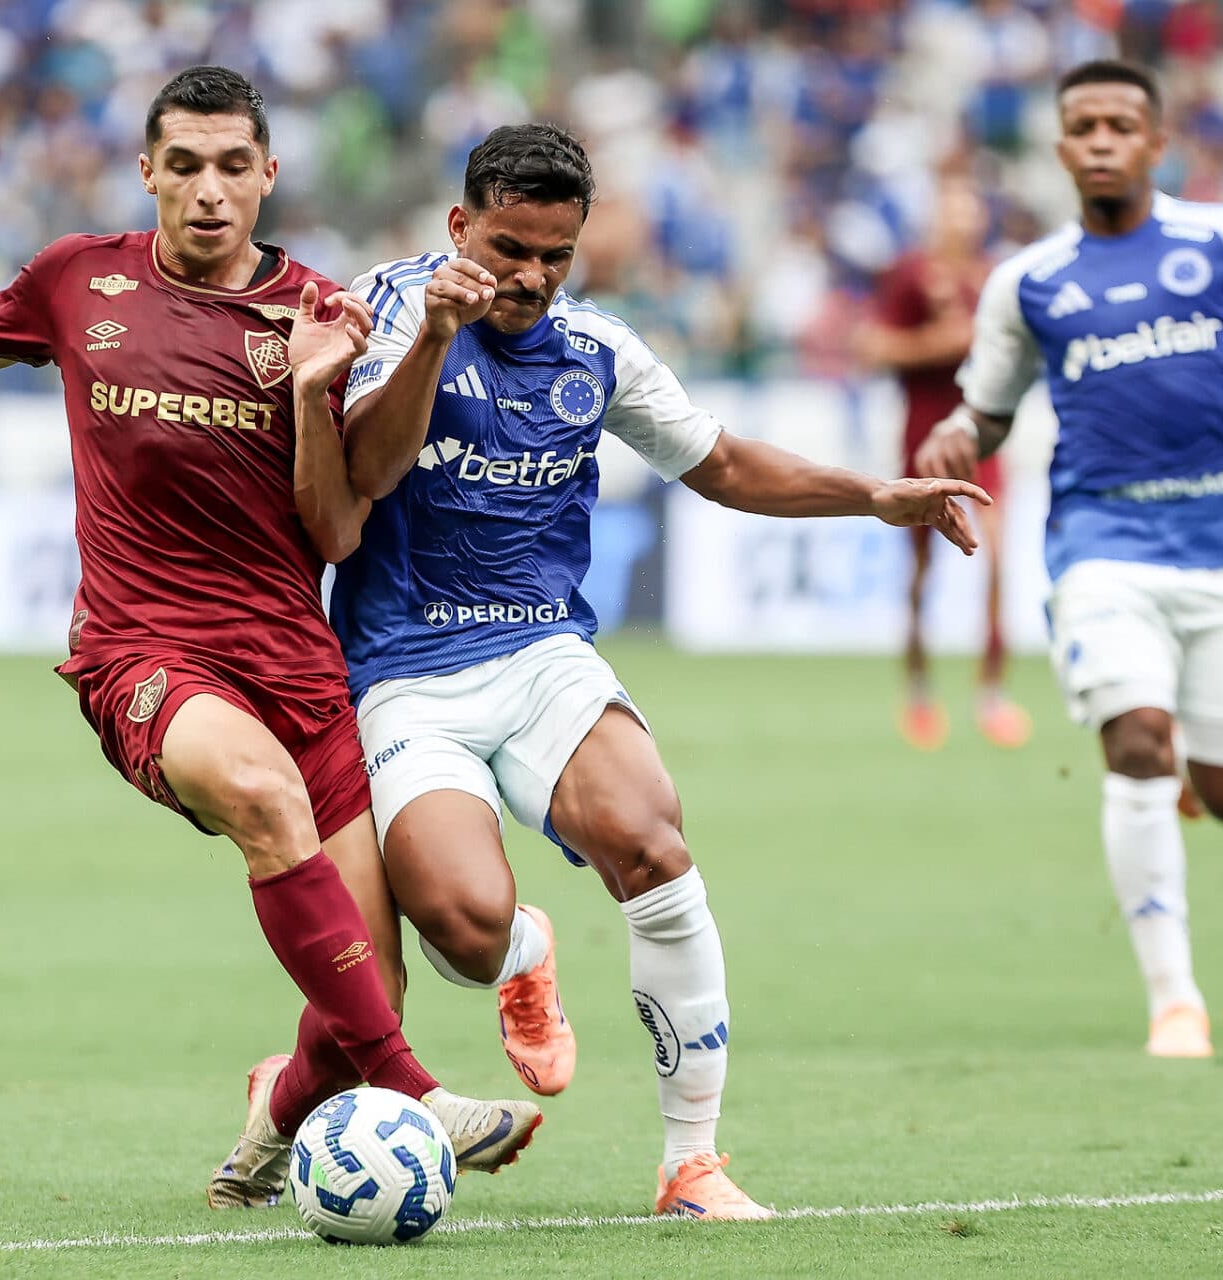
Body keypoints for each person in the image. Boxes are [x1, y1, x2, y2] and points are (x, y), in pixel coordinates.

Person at [0, 65, 541, 1203]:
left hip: (294, 662)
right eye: (186, 166)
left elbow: (336, 529)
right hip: (144, 654)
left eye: (232, 167)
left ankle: (272, 1122)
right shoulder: (78, 279)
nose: (209, 191)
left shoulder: (318, 314)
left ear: (268, 174)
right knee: (261, 798)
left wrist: (314, 389)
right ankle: (420, 1097)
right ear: (148, 171)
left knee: (362, 992)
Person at [213, 123, 992, 1221]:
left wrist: (873, 494)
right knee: (463, 928)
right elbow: (369, 475)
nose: (532, 278)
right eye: (509, 249)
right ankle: (522, 948)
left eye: (556, 256)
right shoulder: (388, 307)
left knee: (653, 840)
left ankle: (692, 1163)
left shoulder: (596, 349)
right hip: (404, 676)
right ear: (459, 226)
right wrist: (438, 335)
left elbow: (722, 463)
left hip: (542, 654)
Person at [916, 59, 1223, 1058]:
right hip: (1101, 543)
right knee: (1138, 737)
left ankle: (1195, 761)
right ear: (1061, 148)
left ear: (1156, 142)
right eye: (1084, 126)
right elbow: (986, 409)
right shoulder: (1028, 282)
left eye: (1120, 125)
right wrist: (955, 436)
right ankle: (1174, 999)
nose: (1102, 140)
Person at [859, 173, 1033, 752]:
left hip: (982, 436)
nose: (962, 222)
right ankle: (918, 692)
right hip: (923, 438)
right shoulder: (911, 273)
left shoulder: (994, 278)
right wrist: (944, 340)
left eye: (970, 211)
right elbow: (874, 347)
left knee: (998, 559)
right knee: (920, 571)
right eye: (952, 211)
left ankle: (992, 695)